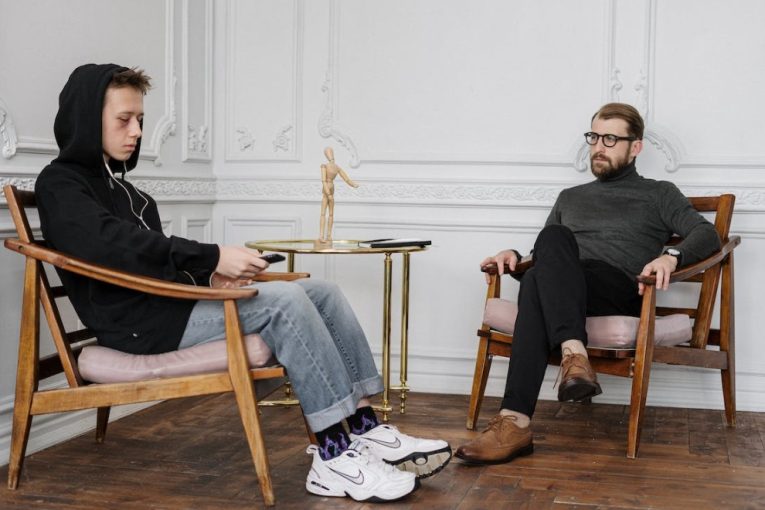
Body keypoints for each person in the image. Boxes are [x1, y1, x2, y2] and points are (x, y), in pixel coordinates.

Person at [35, 63, 451, 502]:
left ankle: (366, 427)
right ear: (87, 119)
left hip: (172, 306)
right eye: (124, 119)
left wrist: (211, 276)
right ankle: (332, 456)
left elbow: (151, 264)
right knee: (285, 302)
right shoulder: (60, 184)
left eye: (140, 118)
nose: (137, 131)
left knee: (322, 292)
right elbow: (113, 247)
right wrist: (213, 257)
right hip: (141, 327)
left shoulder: (129, 193)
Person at [455, 103, 721, 465]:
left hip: (618, 289)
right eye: (594, 137)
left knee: (544, 263)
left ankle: (515, 420)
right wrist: (514, 257)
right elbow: (545, 259)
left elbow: (707, 234)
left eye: (610, 139)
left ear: (636, 147)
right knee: (549, 247)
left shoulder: (659, 193)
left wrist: (671, 257)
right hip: (566, 289)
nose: (598, 147)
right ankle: (568, 362)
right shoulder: (570, 197)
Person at [319, 146, 358, 242]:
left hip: (331, 189)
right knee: (324, 213)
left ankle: (328, 236)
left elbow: (346, 179)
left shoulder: (336, 167)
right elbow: (323, 181)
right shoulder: (325, 166)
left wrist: (353, 184)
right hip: (327, 190)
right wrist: (328, 194)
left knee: (330, 214)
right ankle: (321, 236)